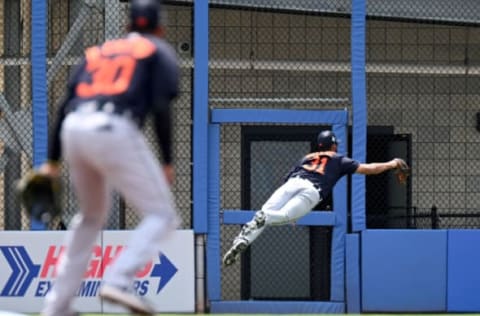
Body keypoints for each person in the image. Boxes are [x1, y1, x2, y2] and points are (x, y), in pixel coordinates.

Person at [39, 0, 180, 315]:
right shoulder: (156, 50)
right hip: (114, 127)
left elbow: (64, 105)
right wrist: (167, 161)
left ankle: (56, 307)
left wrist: (52, 161)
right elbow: (160, 107)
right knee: (163, 216)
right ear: (159, 27)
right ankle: (119, 281)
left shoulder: (98, 51)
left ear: (129, 24)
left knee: (89, 219)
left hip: (74, 128)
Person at [223, 130, 407, 266]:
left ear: (319, 145)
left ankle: (243, 239)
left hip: (291, 183)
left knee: (263, 212)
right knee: (282, 217)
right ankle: (265, 220)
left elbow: (287, 178)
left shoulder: (307, 157)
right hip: (311, 190)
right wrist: (392, 163)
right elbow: (369, 169)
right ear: (334, 145)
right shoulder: (338, 158)